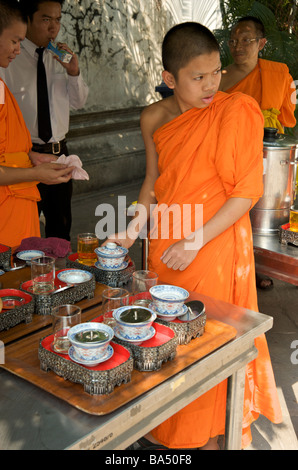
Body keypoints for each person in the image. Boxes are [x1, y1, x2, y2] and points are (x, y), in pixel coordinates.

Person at [105, 22, 282, 450]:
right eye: (197, 77)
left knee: (204, 341)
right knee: (161, 336)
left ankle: (201, 432)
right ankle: (166, 426)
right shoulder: (153, 117)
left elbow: (246, 192)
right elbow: (152, 182)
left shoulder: (234, 110)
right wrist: (128, 233)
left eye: (216, 72)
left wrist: (196, 240)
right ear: (170, 79)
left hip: (212, 242)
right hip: (167, 243)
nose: (211, 84)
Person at [0, 0, 89, 241]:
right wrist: (30, 162)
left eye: (58, 20)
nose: (54, 28)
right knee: (22, 236)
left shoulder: (60, 57)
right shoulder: (8, 61)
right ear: (28, 20)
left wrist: (73, 72)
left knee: (59, 232)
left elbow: (79, 102)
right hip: (19, 161)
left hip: (54, 154)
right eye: (46, 19)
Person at [220, 16, 296, 289]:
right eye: (233, 40)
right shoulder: (221, 77)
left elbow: (286, 117)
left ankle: (258, 264)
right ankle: (239, 265)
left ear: (261, 43)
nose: (238, 46)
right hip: (233, 150)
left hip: (267, 150)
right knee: (236, 209)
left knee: (263, 211)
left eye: (247, 40)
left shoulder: (279, 73)